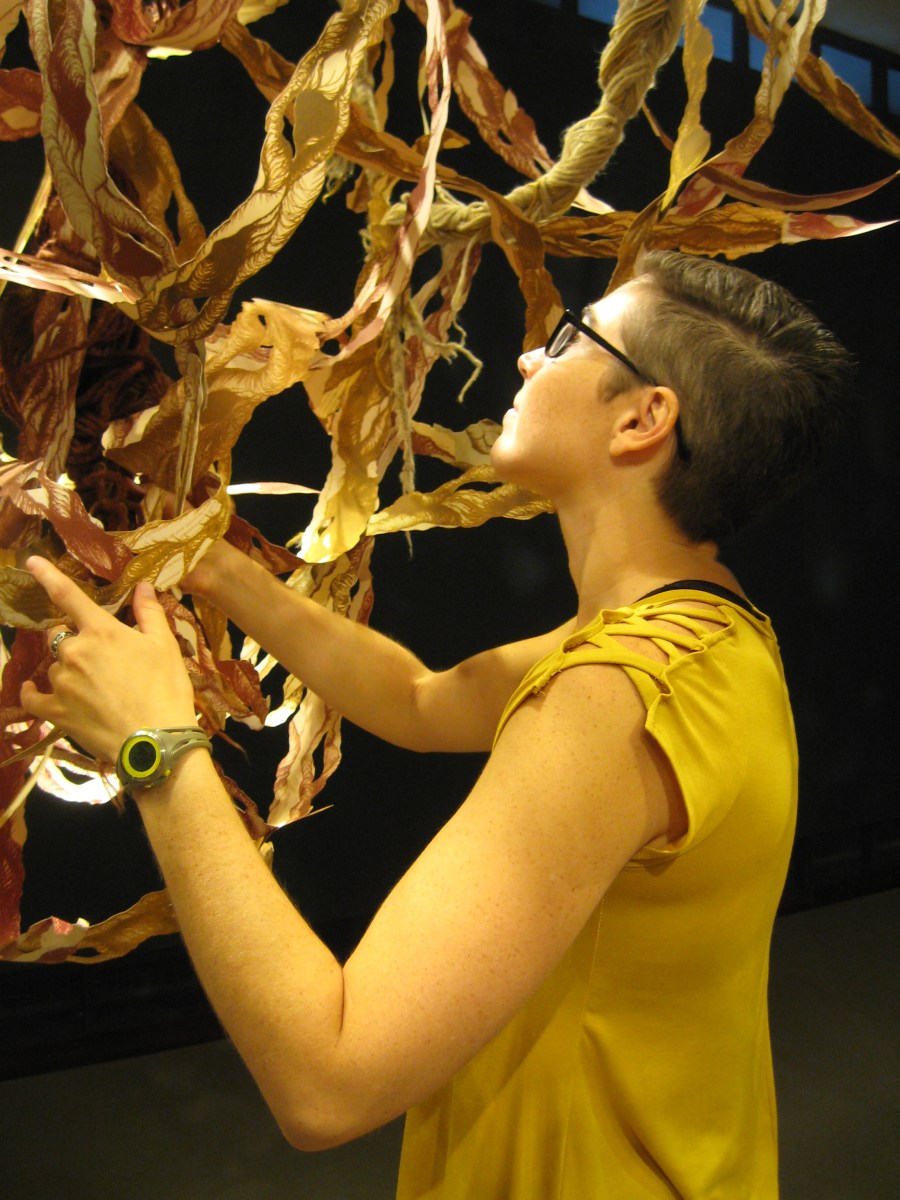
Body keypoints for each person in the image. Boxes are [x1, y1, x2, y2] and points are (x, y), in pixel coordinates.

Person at [21, 251, 853, 1198]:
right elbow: (418, 698)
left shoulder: (614, 697)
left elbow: (327, 1080)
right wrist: (220, 569)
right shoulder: (706, 631)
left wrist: (157, 747)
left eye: (573, 338)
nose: (534, 358)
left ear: (641, 418)